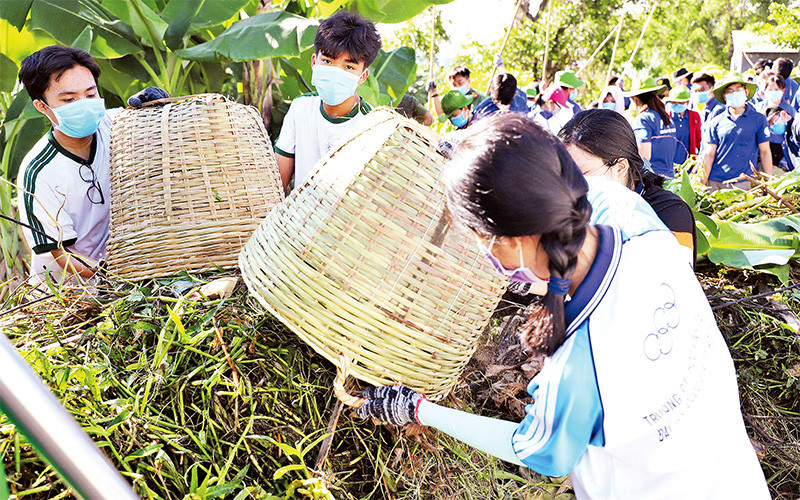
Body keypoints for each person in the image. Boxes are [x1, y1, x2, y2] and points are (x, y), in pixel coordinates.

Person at [354, 114, 770, 500]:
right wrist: (475, 157)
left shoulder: (580, 367)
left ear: (512, 241)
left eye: (481, 241)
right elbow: (556, 180)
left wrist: (418, 409)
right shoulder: (632, 216)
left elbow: (538, 450)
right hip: (737, 480)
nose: (483, 254)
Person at [16, 45, 166, 285]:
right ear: (42, 106)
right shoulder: (39, 171)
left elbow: (157, 129)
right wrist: (115, 275)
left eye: (90, 94)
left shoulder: (117, 127)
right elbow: (61, 254)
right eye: (69, 99)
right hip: (70, 294)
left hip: (123, 279)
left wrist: (155, 105)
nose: (83, 104)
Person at [560, 109, 696, 265]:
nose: (571, 185)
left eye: (582, 175)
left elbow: (670, 274)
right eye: (564, 175)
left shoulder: (670, 212)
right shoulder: (574, 208)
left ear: (620, 168)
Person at [274, 11, 380, 191]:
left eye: (348, 66)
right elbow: (277, 185)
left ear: (363, 76)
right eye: (328, 61)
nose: (336, 72)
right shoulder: (300, 109)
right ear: (314, 61)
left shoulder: (372, 125)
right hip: (296, 209)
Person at [702, 73, 772, 191]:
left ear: (746, 92)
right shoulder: (716, 121)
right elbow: (709, 154)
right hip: (716, 181)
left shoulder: (759, 119)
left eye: (738, 90)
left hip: (743, 181)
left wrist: (768, 181)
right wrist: (702, 181)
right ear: (724, 96)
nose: (734, 94)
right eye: (730, 91)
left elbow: (765, 152)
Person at [627, 77, 678, 178]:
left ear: (636, 99)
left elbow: (644, 156)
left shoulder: (643, 119)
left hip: (653, 179)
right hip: (670, 176)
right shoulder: (666, 118)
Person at [755, 71, 795, 168]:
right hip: (760, 148)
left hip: (781, 150)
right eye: (770, 89)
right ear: (765, 90)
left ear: (783, 90)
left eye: (776, 89)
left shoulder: (789, 110)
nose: (773, 92)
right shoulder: (758, 108)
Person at [664, 85, 701, 165]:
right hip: (669, 165)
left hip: (688, 164)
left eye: (680, 103)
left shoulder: (694, 116)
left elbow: (699, 139)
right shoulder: (665, 117)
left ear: (687, 102)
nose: (677, 105)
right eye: (674, 102)